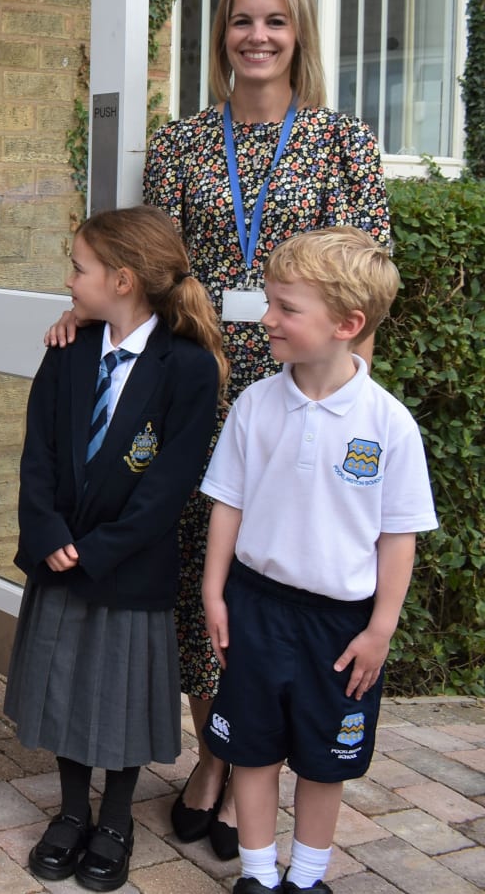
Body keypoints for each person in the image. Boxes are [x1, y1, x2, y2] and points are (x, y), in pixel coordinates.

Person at [45, 0, 390, 858]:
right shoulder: (181, 144)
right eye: (243, 20)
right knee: (200, 570)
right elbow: (144, 263)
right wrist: (82, 306)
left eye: (276, 21)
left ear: (299, 32)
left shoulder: (344, 142)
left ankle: (244, 767)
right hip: (198, 380)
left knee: (273, 577)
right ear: (222, 34)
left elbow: (369, 286)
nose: (258, 36)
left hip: (296, 388)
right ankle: (218, 753)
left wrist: (347, 395)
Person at [200, 227, 434, 894]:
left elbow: (398, 535)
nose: (267, 317)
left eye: (285, 307)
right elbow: (228, 504)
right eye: (270, 301)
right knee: (250, 745)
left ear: (347, 324)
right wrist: (215, 592)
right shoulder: (254, 405)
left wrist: (380, 627)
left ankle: (306, 879)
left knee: (324, 757)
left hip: (340, 625)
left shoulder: (388, 425)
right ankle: (254, 874)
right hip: (256, 606)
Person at [8, 207, 225, 892]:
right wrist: (48, 534)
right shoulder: (67, 349)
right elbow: (37, 454)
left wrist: (99, 548)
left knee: (122, 696)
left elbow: (170, 485)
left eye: (79, 268)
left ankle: (118, 818)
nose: (70, 280)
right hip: (60, 558)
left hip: (130, 569)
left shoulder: (187, 369)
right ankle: (73, 812)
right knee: (68, 687)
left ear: (123, 279)